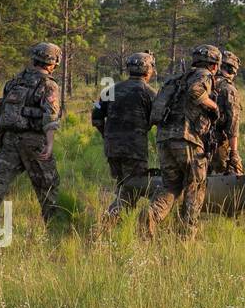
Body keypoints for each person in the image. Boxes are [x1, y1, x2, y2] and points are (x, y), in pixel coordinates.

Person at [140, 44, 221, 240]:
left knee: (171, 185)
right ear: (214, 65)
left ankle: (151, 214)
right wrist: (214, 105)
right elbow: (196, 92)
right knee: (195, 186)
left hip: (164, 139)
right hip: (187, 139)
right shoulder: (204, 75)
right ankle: (186, 237)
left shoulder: (175, 80)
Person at [0, 43, 63, 227]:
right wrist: (49, 144)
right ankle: (56, 229)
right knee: (49, 187)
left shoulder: (15, 81)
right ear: (53, 62)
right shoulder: (49, 85)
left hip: (9, 140)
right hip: (34, 143)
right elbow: (50, 116)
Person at [93, 51, 157, 225]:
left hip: (112, 149)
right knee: (133, 189)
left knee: (123, 185)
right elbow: (159, 120)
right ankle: (110, 221)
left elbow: (96, 117)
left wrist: (108, 135)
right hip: (134, 150)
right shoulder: (150, 93)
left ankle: (115, 224)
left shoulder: (109, 90)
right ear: (148, 70)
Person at [210, 50, 244, 176]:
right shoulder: (228, 89)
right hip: (218, 142)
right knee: (231, 176)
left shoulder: (204, 84)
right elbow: (233, 124)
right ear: (233, 70)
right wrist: (234, 152)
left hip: (196, 140)